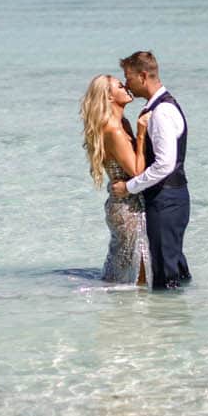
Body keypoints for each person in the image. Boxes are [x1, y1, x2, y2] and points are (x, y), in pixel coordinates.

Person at [110, 50, 191, 291]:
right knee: (174, 269)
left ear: (143, 76)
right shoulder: (159, 108)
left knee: (165, 279)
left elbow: (165, 164)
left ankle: (168, 324)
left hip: (166, 200)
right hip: (170, 198)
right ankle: (177, 318)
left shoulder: (161, 112)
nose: (126, 84)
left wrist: (129, 187)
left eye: (129, 77)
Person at [80, 72, 150, 286]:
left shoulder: (121, 123)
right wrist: (141, 133)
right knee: (138, 274)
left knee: (125, 271)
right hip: (126, 207)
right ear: (109, 97)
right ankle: (131, 316)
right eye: (120, 86)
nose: (126, 88)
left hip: (123, 203)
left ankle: (120, 312)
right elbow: (137, 171)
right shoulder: (114, 130)